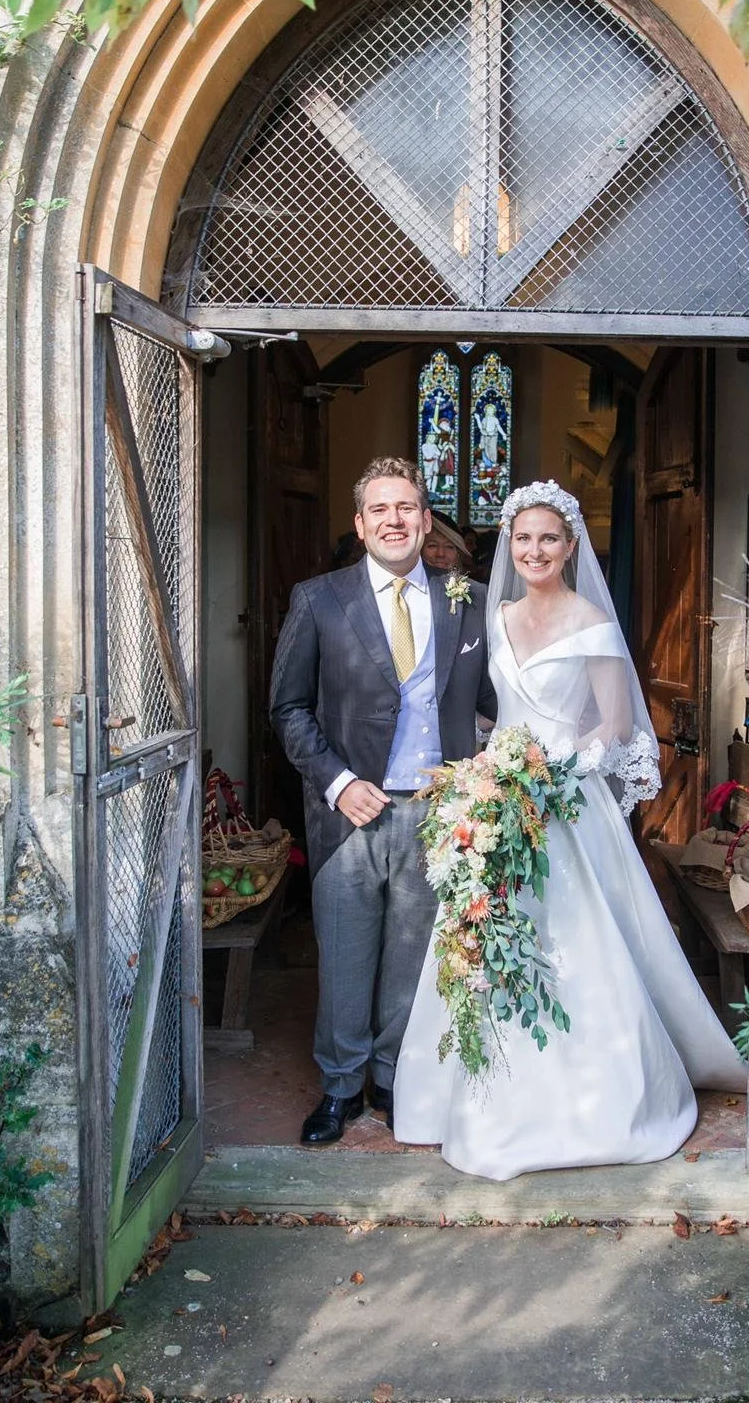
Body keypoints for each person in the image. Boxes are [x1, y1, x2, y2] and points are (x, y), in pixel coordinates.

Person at [394, 479, 748, 1178]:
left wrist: (552, 777)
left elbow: (614, 727)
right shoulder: (493, 617)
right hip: (501, 799)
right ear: (510, 545)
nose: (534, 550)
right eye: (523, 538)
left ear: (569, 545)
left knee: (580, 946)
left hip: (566, 802)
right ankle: (470, 1094)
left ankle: (599, 1105)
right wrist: (489, 768)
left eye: (548, 538)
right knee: (485, 937)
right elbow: (490, 709)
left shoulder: (591, 620)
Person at [270, 457, 496, 1145]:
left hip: (437, 813)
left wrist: (484, 766)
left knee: (412, 961)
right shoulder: (320, 600)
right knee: (344, 956)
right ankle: (340, 1089)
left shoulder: (469, 599)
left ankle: (395, 1081)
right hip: (350, 814)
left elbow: (494, 703)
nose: (394, 520)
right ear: (360, 525)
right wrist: (339, 783)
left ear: (426, 522)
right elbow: (289, 708)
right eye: (380, 510)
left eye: (407, 508)